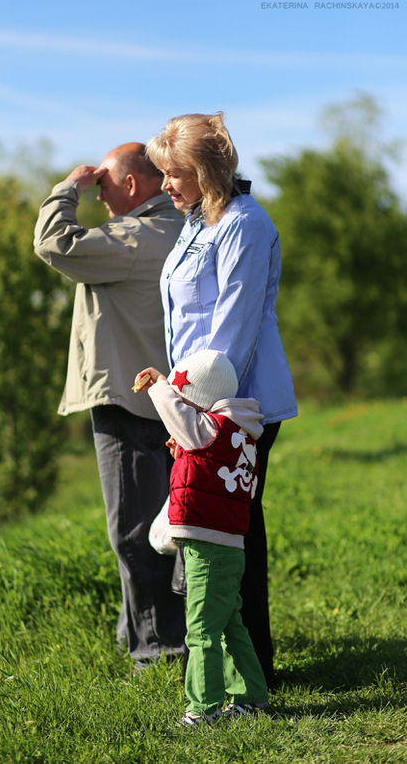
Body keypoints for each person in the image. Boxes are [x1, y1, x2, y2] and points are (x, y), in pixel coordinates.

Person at [146, 113, 298, 687]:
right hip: (198, 401)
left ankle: (247, 673)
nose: (165, 185)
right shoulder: (197, 220)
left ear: (205, 170)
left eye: (173, 173)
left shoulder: (244, 225)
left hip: (236, 408)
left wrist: (190, 406)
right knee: (207, 527)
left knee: (230, 534)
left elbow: (229, 336)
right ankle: (225, 668)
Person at [34, 143, 186, 668]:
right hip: (157, 398)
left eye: (104, 184)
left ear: (129, 185)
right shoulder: (170, 229)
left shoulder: (136, 235)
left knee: (134, 531)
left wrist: (66, 189)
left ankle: (158, 652)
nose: (97, 192)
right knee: (156, 527)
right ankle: (141, 637)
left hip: (129, 398)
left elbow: (54, 243)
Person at [134, 349, 269, 725]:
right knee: (228, 624)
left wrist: (160, 386)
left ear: (199, 399)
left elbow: (181, 418)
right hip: (226, 545)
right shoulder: (237, 436)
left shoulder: (210, 429)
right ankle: (252, 696)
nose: (177, 401)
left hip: (209, 548)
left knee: (201, 631)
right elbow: (212, 476)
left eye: (182, 394)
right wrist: (187, 456)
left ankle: (203, 709)